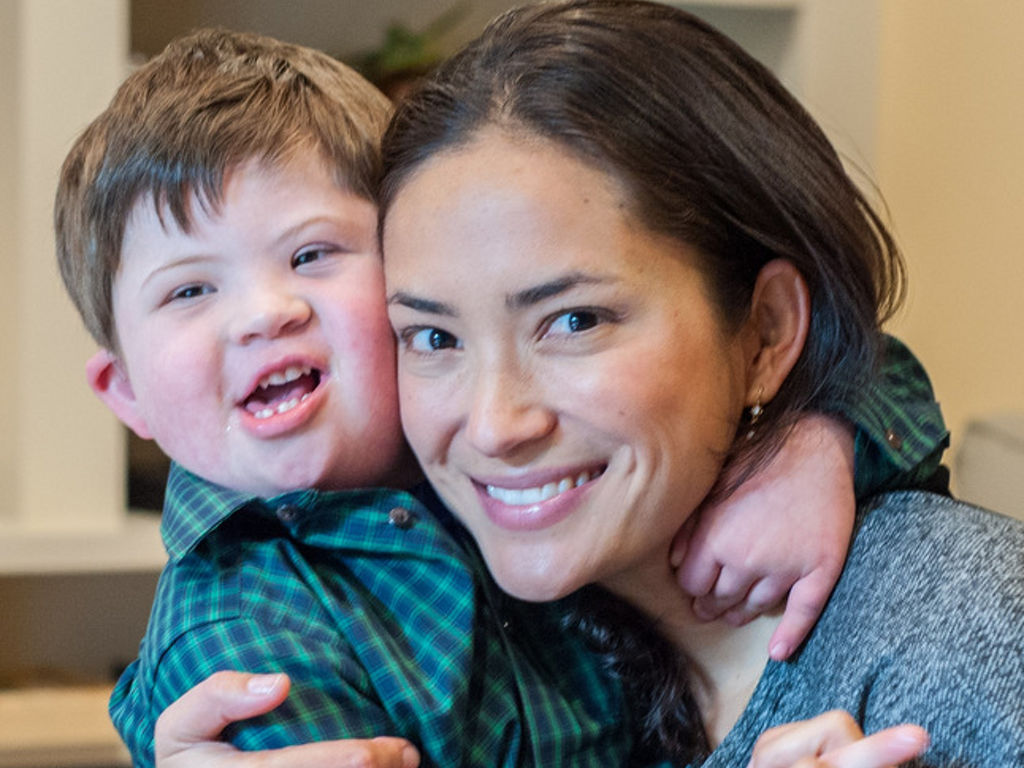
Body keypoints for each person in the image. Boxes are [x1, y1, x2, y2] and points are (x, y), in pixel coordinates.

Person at [54, 18, 945, 768]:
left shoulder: (499, 472)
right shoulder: (242, 641)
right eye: (189, 291)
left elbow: (856, 359)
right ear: (124, 393)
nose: (265, 312)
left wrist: (814, 437)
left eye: (312, 255)